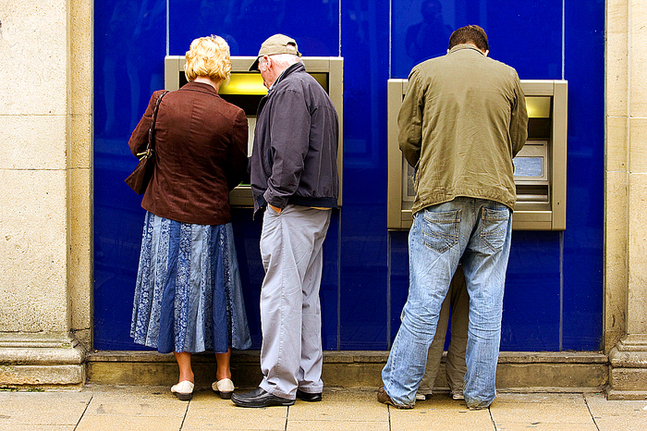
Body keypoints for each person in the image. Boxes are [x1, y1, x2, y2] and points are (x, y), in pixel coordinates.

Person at [379, 25, 528, 410]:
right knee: (487, 301)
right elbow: (517, 138)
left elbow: (408, 137)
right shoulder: (507, 75)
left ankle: (400, 389)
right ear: (484, 50)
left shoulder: (425, 72)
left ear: (451, 49)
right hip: (495, 199)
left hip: (441, 195)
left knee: (425, 299)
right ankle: (478, 395)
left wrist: (430, 167)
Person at [129, 35, 252, 401]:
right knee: (219, 290)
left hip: (165, 213)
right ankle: (225, 375)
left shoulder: (162, 101)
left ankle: (185, 378)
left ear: (189, 64)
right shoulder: (233, 115)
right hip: (212, 217)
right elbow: (235, 173)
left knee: (174, 289)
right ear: (225, 69)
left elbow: (137, 145)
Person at [231, 34, 339, 408]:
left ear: (266, 62)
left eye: (259, 69)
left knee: (280, 295)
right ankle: (308, 380)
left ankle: (278, 383)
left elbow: (288, 155)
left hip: (292, 206)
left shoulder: (289, 90)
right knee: (305, 296)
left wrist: (274, 200)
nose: (260, 77)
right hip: (315, 206)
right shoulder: (313, 88)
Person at [416, 267, 468, 401]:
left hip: (438, 258)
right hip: (472, 257)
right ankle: (461, 384)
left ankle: (422, 384)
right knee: (465, 327)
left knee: (433, 325)